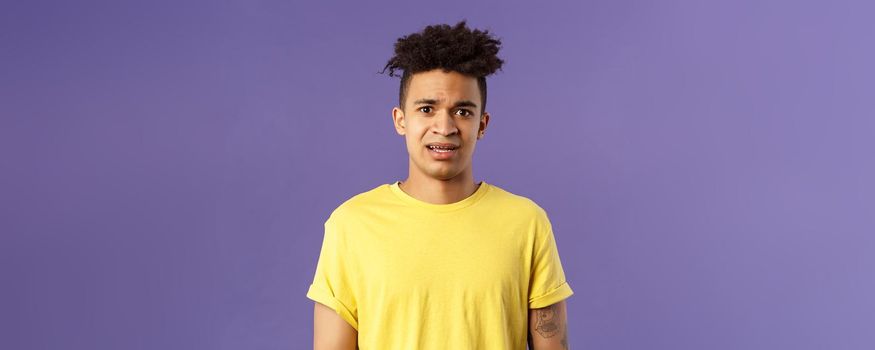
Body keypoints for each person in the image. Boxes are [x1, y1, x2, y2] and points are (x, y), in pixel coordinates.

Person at [306, 20, 574, 349]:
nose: (444, 126)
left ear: (482, 124)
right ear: (400, 120)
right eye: (427, 109)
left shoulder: (527, 223)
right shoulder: (351, 225)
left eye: (462, 111)